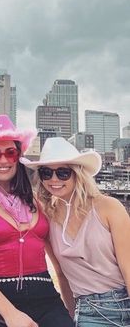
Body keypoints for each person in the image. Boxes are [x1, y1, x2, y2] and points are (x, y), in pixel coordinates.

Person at [0, 115, 74, 327]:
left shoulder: (37, 200)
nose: (3, 160)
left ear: (18, 157)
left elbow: (59, 265)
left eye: (10, 153)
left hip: (46, 298)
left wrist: (71, 310)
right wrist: (10, 314)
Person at [21, 136, 130, 326]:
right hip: (88, 311)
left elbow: (128, 268)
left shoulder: (109, 207)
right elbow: (61, 274)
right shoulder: (47, 217)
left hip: (125, 301)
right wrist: (71, 317)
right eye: (47, 173)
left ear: (77, 174)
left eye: (63, 173)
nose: (54, 179)